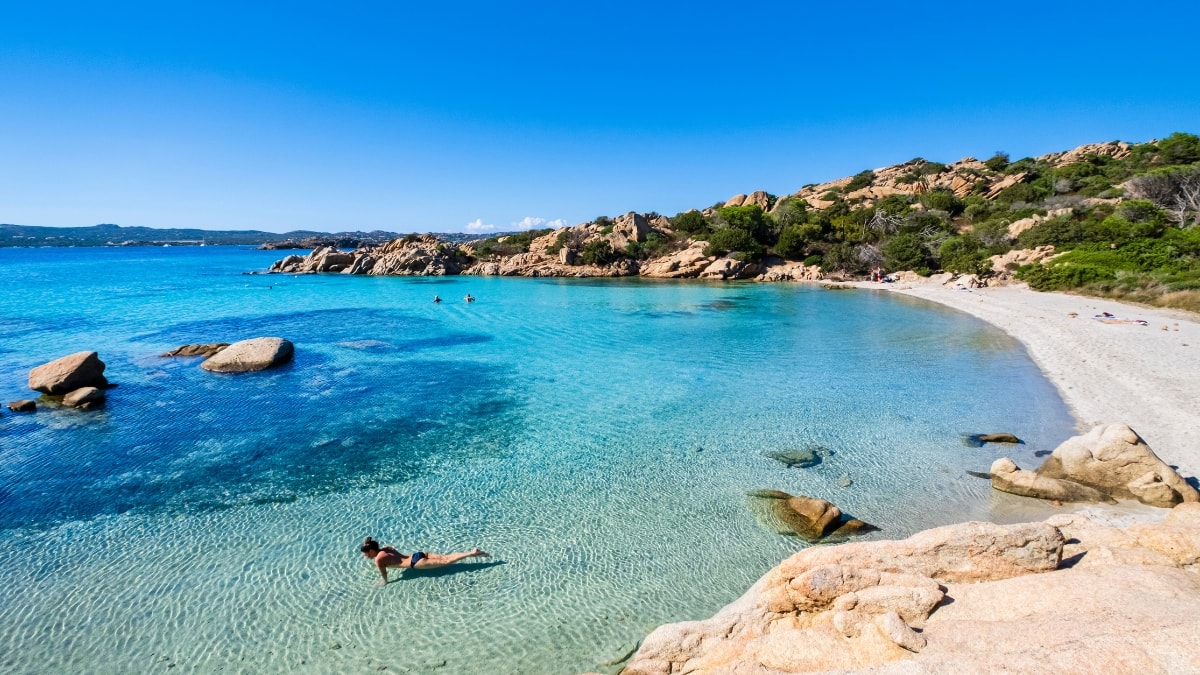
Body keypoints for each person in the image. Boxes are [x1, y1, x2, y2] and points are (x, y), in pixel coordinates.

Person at [360, 537, 490, 585]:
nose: (365, 556)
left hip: (415, 563)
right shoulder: (386, 548)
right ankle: (471, 552)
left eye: (366, 554)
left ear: (371, 551)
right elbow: (394, 552)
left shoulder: (378, 559)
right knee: (445, 557)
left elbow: (385, 576)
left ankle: (471, 554)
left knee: (446, 562)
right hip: (417, 554)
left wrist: (384, 582)